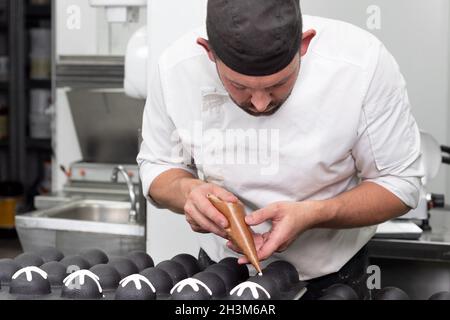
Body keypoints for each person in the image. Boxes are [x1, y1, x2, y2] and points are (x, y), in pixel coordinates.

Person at [137, 0, 424, 299]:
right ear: (208, 52)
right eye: (239, 86)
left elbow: (399, 183)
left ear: (304, 43)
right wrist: (187, 192)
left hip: (334, 281)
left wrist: (315, 214)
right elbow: (157, 165)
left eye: (278, 84)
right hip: (221, 274)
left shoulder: (362, 64)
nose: (260, 104)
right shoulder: (175, 69)